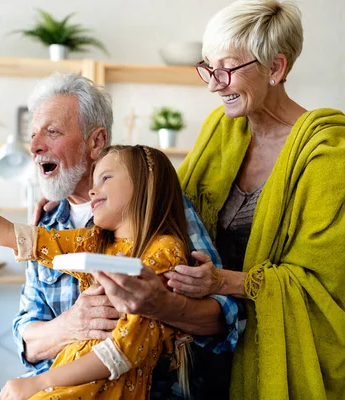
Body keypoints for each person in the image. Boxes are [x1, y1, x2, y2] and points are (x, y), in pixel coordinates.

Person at [93, 1, 345, 399]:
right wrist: (72, 205)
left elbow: (324, 285)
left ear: (276, 69)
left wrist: (219, 281)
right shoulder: (220, 130)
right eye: (208, 68)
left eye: (225, 69)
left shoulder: (329, 152)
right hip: (210, 346)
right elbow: (166, 204)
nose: (213, 84)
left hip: (280, 355)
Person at [0, 145, 194, 399]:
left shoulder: (164, 251)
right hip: (65, 386)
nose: (92, 189)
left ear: (146, 183)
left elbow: (121, 351)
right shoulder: (95, 241)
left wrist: (35, 383)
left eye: (106, 178)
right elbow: (8, 233)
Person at [14, 73, 244, 399]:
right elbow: (25, 338)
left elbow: (225, 316)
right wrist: (69, 327)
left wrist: (162, 306)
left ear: (96, 141)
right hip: (51, 386)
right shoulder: (46, 223)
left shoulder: (158, 208)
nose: (35, 148)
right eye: (34, 135)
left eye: (52, 132)